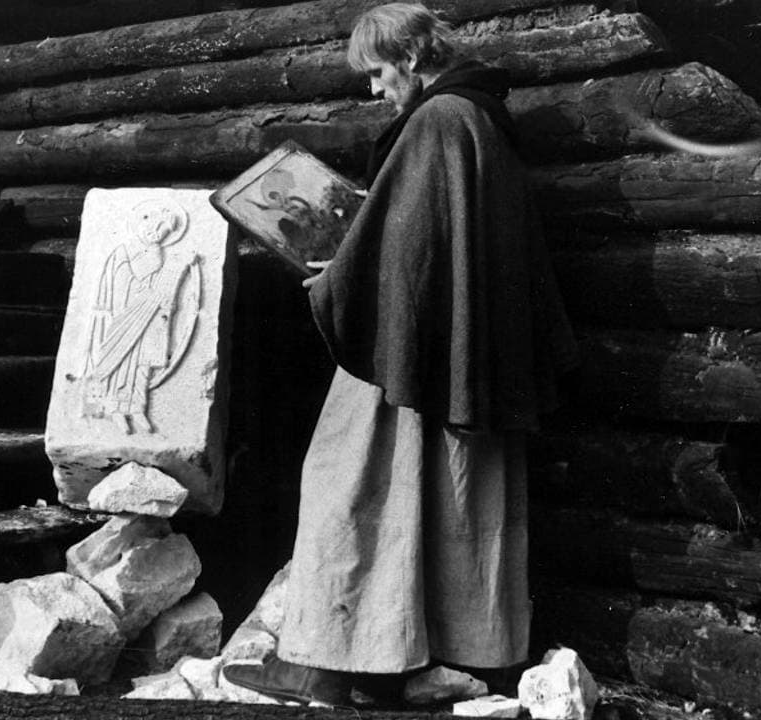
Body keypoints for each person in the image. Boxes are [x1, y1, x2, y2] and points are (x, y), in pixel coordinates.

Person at [223, 2, 578, 708]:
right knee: (448, 490)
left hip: (406, 347)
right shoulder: (478, 117)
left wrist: (333, 277)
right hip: (461, 347)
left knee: (345, 478)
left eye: (379, 72)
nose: (374, 88)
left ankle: (327, 664)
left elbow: (406, 253)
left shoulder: (439, 121)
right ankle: (443, 656)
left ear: (411, 58)